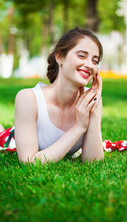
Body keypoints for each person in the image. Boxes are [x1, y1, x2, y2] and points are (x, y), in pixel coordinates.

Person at [14, 27, 104, 164]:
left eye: (95, 61)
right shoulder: (28, 98)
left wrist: (95, 111)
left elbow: (93, 162)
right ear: (59, 57)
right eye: (82, 56)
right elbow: (29, 162)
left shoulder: (90, 100)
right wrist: (78, 128)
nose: (89, 65)